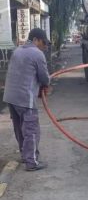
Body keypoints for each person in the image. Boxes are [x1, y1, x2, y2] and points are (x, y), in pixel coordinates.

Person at [3, 28, 51, 171]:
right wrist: (46, 84)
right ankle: (32, 162)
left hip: (11, 97)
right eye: (44, 43)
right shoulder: (37, 54)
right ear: (36, 40)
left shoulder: (17, 50)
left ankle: (25, 156)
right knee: (31, 130)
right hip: (25, 98)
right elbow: (44, 77)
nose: (45, 46)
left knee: (19, 128)